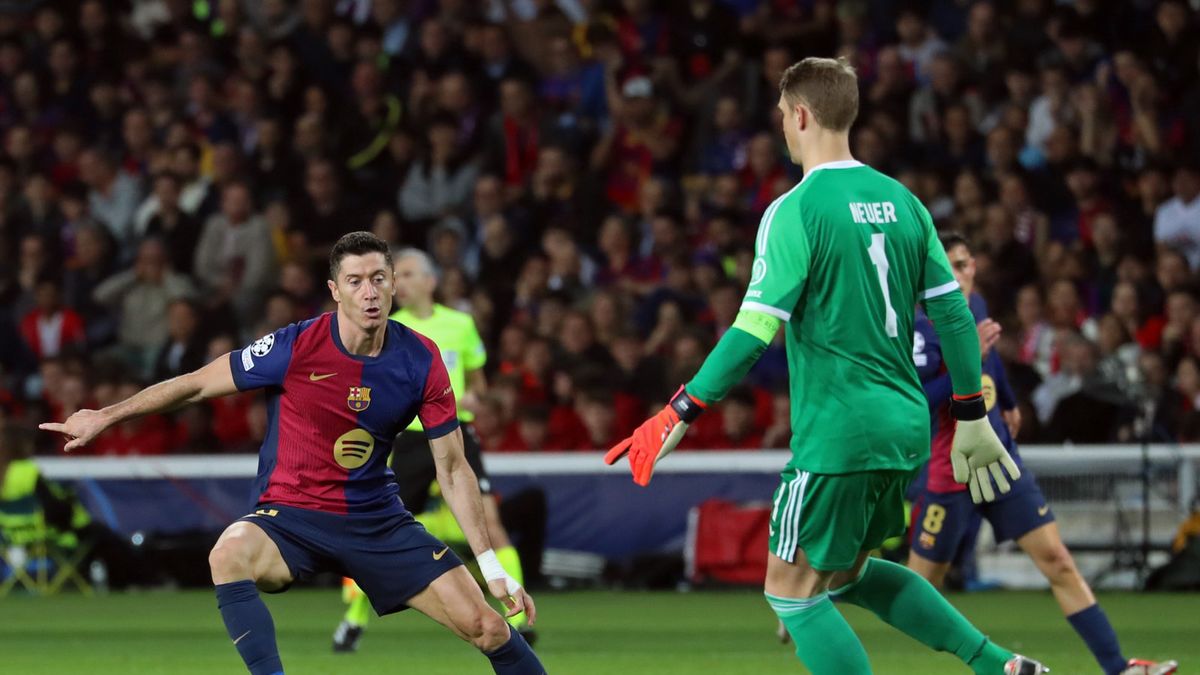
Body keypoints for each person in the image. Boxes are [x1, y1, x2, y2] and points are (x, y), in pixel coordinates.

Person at [605, 56, 1044, 675]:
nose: (782, 127)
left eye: (783, 115)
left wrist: (683, 406)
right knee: (848, 576)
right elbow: (954, 318)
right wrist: (970, 413)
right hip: (906, 427)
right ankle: (997, 663)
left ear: (802, 114)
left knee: (789, 591)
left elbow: (754, 330)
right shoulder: (905, 202)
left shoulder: (795, 210)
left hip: (840, 431)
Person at [41, 232, 545, 675]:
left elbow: (453, 468)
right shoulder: (296, 345)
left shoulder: (421, 360)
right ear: (334, 291)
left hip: (376, 521)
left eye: (378, 279)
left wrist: (490, 565)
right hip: (291, 517)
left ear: (395, 284)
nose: (368, 292)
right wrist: (106, 415)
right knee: (228, 553)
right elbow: (196, 386)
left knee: (488, 628)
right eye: (354, 281)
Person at [909, 233, 1177, 675]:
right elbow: (918, 401)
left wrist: (1009, 401)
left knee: (1058, 560)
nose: (956, 276)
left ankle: (1119, 668)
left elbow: (991, 365)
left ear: (974, 266)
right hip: (952, 471)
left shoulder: (975, 310)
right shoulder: (921, 328)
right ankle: (824, 595)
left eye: (962, 265)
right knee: (919, 589)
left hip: (999, 461)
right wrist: (969, 359)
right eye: (945, 268)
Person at [334, 248, 537, 651]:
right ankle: (353, 620)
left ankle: (518, 615)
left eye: (407, 274)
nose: (399, 282)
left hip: (455, 432)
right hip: (408, 438)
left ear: (430, 280)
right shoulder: (390, 328)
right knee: (377, 527)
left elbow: (477, 382)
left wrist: (477, 400)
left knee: (489, 521)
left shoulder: (460, 325)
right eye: (397, 276)